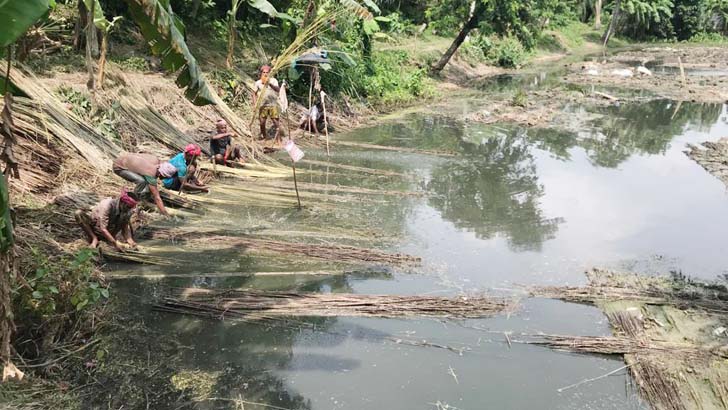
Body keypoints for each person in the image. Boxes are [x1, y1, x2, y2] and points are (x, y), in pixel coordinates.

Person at [112, 152, 177, 216]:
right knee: (141, 181)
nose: (162, 179)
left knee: (145, 183)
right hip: (119, 167)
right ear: (161, 174)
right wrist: (165, 213)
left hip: (123, 160)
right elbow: (157, 197)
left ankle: (142, 197)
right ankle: (135, 200)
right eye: (164, 177)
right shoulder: (150, 174)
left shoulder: (155, 162)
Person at [75, 190, 139, 252]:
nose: (128, 210)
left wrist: (131, 241)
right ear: (122, 202)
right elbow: (103, 228)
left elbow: (125, 228)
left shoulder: (128, 211)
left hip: (110, 233)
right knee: (78, 214)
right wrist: (115, 244)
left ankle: (109, 240)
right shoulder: (107, 205)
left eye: (130, 208)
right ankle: (94, 238)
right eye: (127, 207)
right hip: (96, 229)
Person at [252, 65, 282, 143]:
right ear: (261, 73)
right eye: (264, 72)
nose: (265, 74)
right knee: (262, 122)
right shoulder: (258, 83)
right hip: (262, 105)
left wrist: (269, 83)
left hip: (273, 104)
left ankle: (278, 139)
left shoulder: (273, 80)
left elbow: (278, 90)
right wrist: (255, 104)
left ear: (269, 73)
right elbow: (254, 93)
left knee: (276, 122)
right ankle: (264, 137)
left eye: (267, 72)